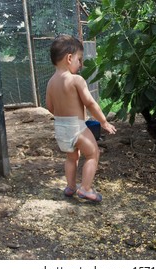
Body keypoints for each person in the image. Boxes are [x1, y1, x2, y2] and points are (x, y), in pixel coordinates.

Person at [46, 34, 116, 202]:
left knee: (71, 157)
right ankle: (85, 188)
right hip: (76, 127)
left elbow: (49, 107)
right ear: (69, 58)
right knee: (93, 153)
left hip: (60, 128)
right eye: (79, 59)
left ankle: (70, 187)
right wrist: (103, 121)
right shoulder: (75, 80)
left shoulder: (50, 82)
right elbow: (90, 103)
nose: (81, 64)